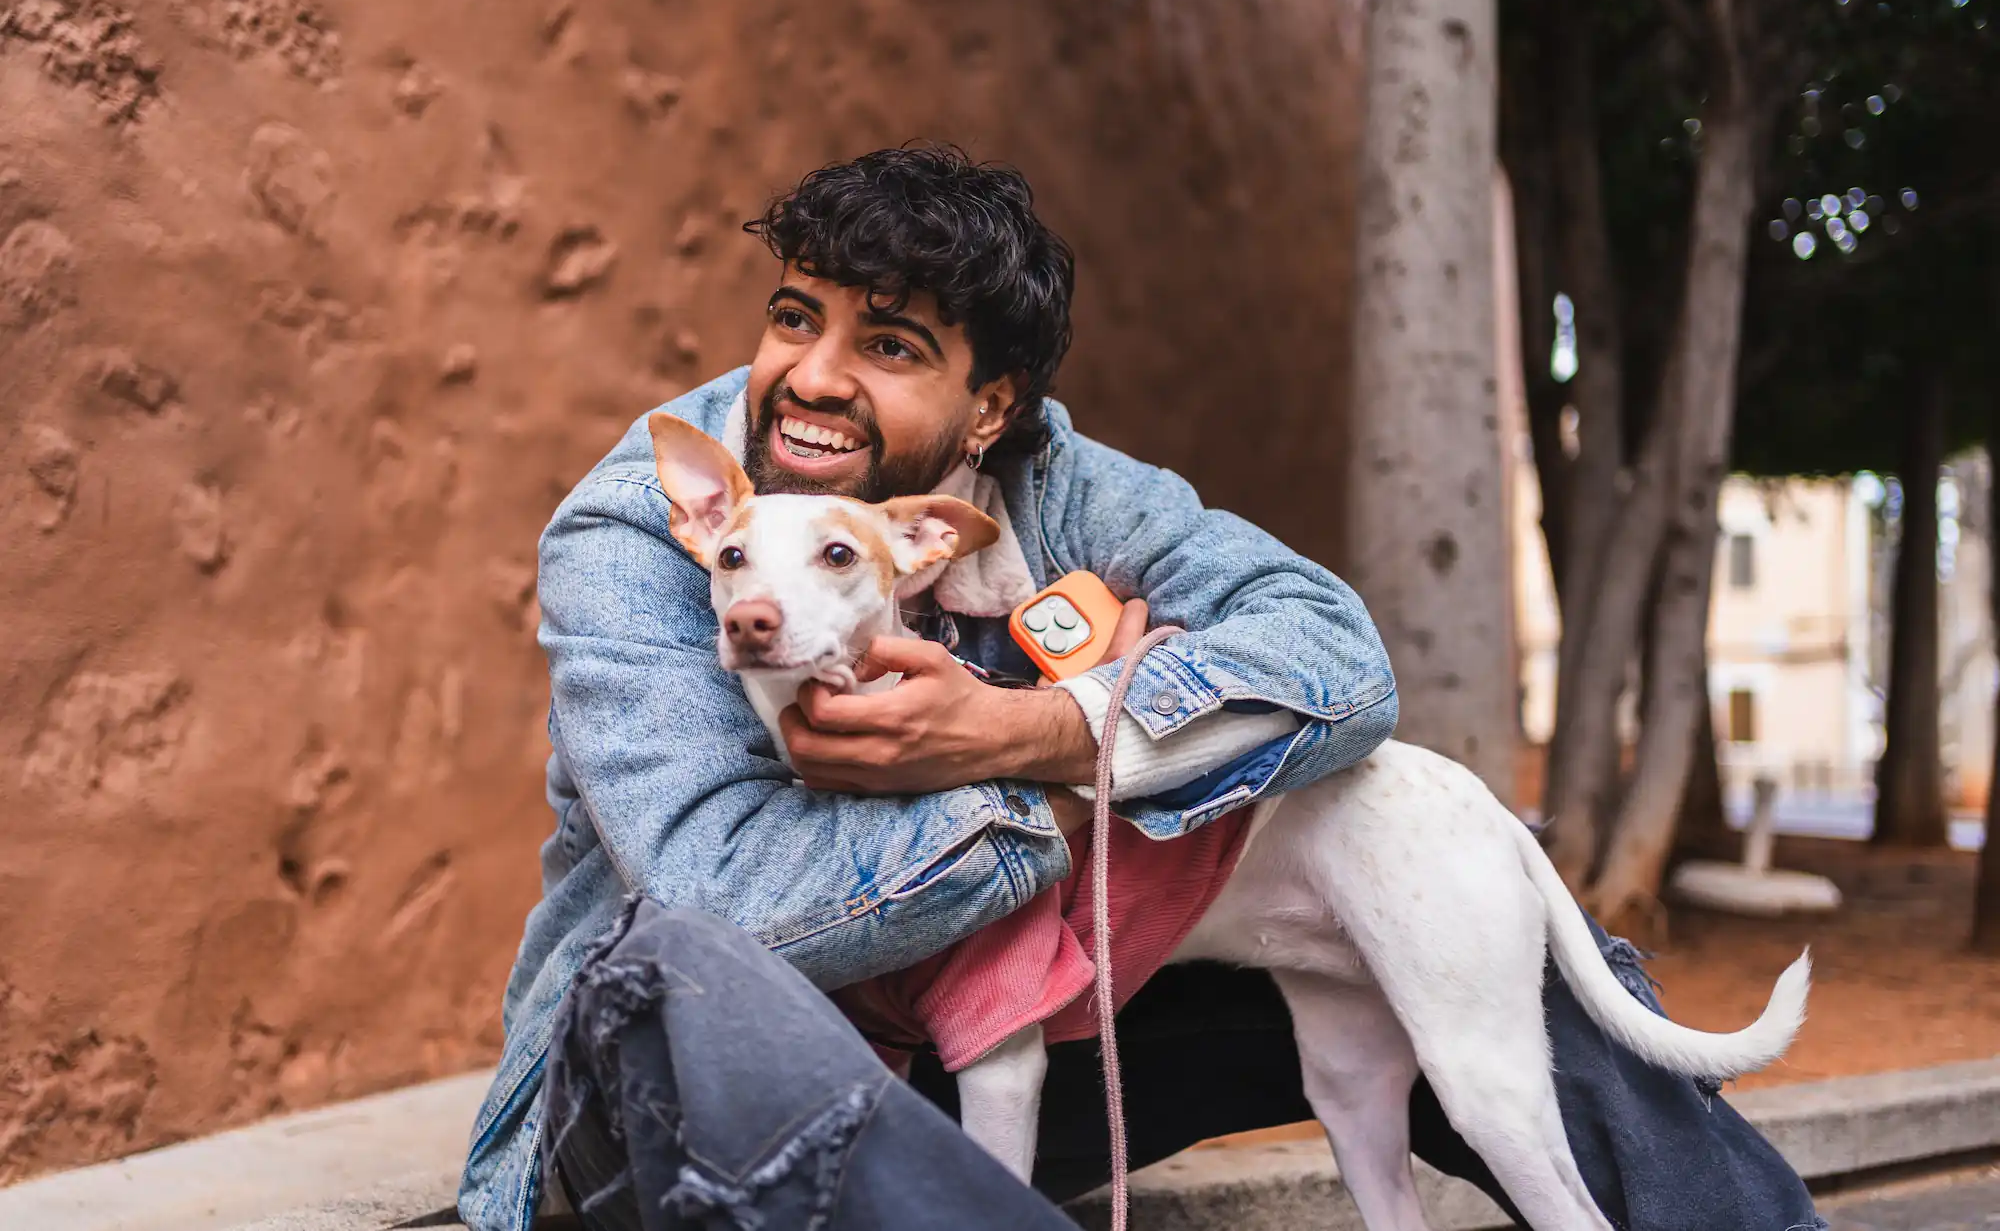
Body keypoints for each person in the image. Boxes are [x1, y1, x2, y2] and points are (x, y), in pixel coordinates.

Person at [459, 145, 1823, 1231]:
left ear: (989, 408)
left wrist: (1027, 727)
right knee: (692, 970)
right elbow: (728, 904)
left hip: (994, 1037)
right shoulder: (646, 527)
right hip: (692, 1093)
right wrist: (1047, 797)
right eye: (793, 317)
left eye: (891, 346)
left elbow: (1338, 661)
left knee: (1504, 963)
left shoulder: (1061, 486)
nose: (812, 378)